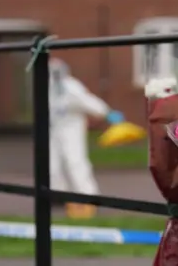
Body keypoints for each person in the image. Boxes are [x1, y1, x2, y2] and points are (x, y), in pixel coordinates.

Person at [49, 58, 124, 219]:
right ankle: (56, 194)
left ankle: (88, 195)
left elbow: (87, 101)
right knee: (52, 163)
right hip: (54, 129)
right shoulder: (47, 87)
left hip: (72, 128)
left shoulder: (71, 86)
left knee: (75, 160)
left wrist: (106, 112)